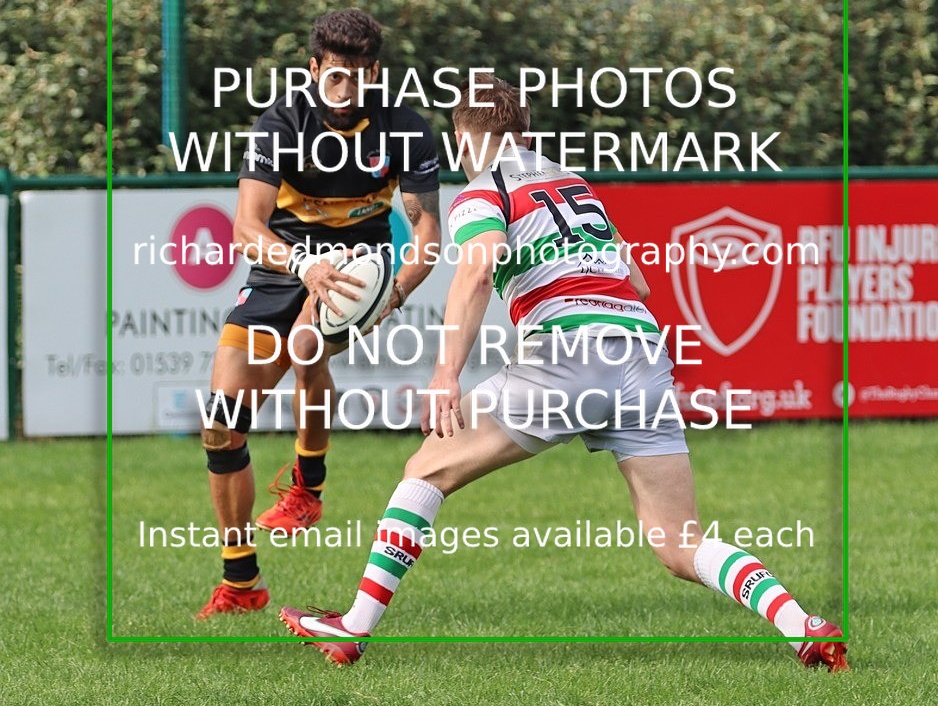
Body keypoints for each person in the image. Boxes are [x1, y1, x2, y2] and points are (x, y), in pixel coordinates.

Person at [278, 73, 848, 673]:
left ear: (465, 140)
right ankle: (803, 626)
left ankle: (351, 630)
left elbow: (474, 275)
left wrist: (446, 374)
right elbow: (640, 282)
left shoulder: (482, 192)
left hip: (566, 359)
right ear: (524, 130)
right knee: (679, 544)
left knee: (425, 469)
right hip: (641, 357)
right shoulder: (575, 184)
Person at [196, 9, 441, 620]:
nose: (347, 88)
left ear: (375, 72)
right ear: (314, 68)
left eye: (359, 75)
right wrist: (302, 265)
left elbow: (428, 232)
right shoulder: (280, 122)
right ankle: (241, 580)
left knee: (308, 343)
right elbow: (247, 227)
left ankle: (308, 486)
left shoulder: (404, 128)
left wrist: (395, 291)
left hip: (359, 269)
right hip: (282, 267)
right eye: (336, 75)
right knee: (220, 426)